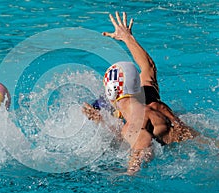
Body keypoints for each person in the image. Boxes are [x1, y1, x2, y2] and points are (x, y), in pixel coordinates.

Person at [82, 11, 199, 175]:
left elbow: (143, 144)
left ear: (111, 93)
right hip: (194, 139)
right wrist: (126, 37)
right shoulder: (150, 96)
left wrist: (130, 171)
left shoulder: (134, 124)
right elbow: (148, 66)